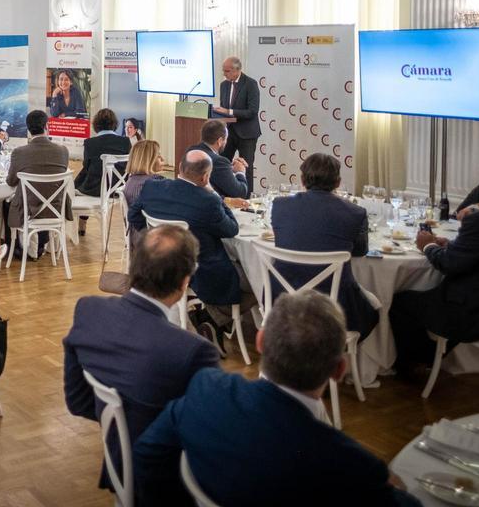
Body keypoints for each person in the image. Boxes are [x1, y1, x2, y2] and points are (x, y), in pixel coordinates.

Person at [134, 291, 421, 507]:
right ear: (338, 370)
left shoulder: (206, 388)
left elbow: (146, 455)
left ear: (260, 342)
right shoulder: (352, 464)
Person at [63, 225, 220, 492]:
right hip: (171, 484)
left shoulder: (88, 310)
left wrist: (123, 422)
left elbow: (78, 402)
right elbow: (208, 436)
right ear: (185, 282)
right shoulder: (192, 350)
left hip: (118, 465)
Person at [391, 156, 479, 378]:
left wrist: (428, 245)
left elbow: (449, 264)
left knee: (399, 301)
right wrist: (453, 244)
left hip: (470, 314)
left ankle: (415, 364)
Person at [129, 151, 244, 344]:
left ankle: (206, 315)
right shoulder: (209, 200)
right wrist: (214, 193)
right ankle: (215, 319)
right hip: (201, 269)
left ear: (180, 168)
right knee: (251, 279)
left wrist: (157, 241)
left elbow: (134, 216)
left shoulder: (152, 187)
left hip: (159, 263)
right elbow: (232, 229)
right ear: (206, 177)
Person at [272, 154, 379, 341]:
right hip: (335, 305)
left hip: (282, 298)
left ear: (302, 180)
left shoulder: (280, 206)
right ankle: (334, 356)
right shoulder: (355, 213)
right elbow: (360, 251)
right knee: (375, 308)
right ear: (337, 182)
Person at [6, 110, 72, 258]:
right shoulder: (63, 151)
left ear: (28, 129)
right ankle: (42, 244)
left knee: (7, 203)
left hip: (29, 209)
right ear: (46, 126)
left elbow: (11, 182)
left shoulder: (19, 152)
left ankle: (19, 248)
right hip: (56, 207)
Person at [212, 56, 260, 187]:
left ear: (237, 70)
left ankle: (247, 200)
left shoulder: (251, 84)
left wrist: (229, 111)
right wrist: (219, 112)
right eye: (223, 70)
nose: (224, 74)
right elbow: (224, 108)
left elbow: (252, 111)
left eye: (227, 71)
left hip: (247, 133)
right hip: (228, 133)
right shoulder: (224, 85)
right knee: (222, 164)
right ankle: (224, 194)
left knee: (246, 167)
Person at [74, 108, 131, 198]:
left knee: (74, 184)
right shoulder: (126, 142)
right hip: (119, 188)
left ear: (96, 125)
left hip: (94, 189)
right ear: (115, 124)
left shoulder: (89, 143)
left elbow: (86, 167)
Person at [189, 119, 250, 199]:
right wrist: (240, 172)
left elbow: (217, 176)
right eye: (226, 139)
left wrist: (229, 168)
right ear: (220, 141)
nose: (226, 142)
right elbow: (240, 192)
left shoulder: (191, 151)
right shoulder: (219, 162)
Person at [122, 140, 165, 250]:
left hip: (134, 235)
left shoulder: (130, 180)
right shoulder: (156, 182)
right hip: (149, 238)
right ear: (149, 160)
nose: (163, 159)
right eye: (159, 156)